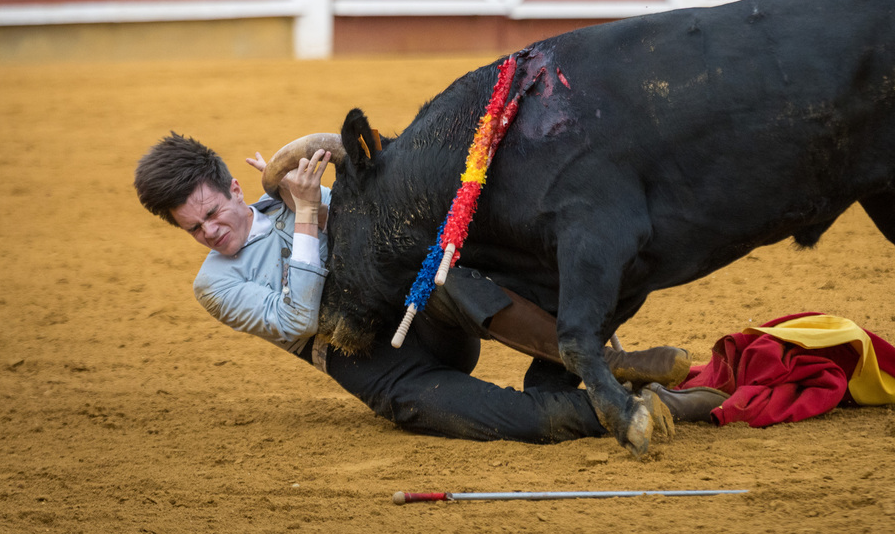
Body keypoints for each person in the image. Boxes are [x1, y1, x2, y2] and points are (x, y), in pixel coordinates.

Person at [133, 133, 722, 444]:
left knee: (438, 270)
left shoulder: (288, 198)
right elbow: (294, 321)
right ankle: (652, 406)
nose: (212, 233)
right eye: (195, 229)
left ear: (233, 188)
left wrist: (314, 200)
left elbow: (383, 231)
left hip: (420, 319)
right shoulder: (213, 285)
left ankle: (607, 362)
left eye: (212, 212)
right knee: (519, 423)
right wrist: (308, 215)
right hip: (382, 372)